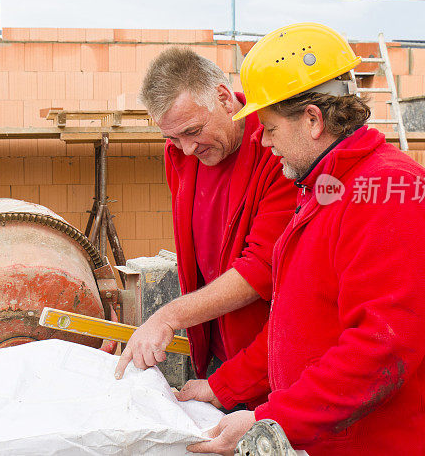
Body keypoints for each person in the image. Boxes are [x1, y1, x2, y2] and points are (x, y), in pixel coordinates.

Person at [179, 23, 425, 455]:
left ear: (313, 120)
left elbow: (379, 350)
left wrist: (272, 419)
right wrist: (222, 388)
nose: (261, 139)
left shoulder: (391, 194)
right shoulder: (325, 190)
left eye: (270, 126)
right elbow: (295, 323)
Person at [114, 48, 297, 396]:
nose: (185, 149)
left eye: (192, 130)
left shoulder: (278, 152)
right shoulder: (183, 157)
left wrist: (170, 316)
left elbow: (262, 268)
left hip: (270, 360)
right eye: (173, 138)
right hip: (212, 351)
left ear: (224, 99)